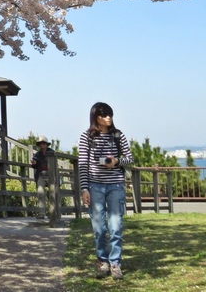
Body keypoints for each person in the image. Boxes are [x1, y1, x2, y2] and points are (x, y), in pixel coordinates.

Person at [79, 102, 134, 281]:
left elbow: (130, 159)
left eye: (110, 114)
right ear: (96, 117)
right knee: (99, 227)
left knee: (116, 225)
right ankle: (103, 261)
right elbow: (83, 165)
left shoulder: (118, 136)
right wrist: (84, 189)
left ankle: (115, 262)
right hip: (95, 186)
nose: (108, 118)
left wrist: (116, 162)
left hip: (116, 185)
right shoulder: (86, 137)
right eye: (103, 115)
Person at [30, 136, 52, 218]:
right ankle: (42, 213)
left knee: (51, 193)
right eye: (40, 144)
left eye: (43, 143)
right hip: (41, 175)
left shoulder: (52, 152)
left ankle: (52, 212)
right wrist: (34, 163)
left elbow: (55, 163)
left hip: (51, 175)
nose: (42, 145)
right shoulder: (37, 154)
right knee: (40, 193)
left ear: (46, 144)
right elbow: (34, 164)